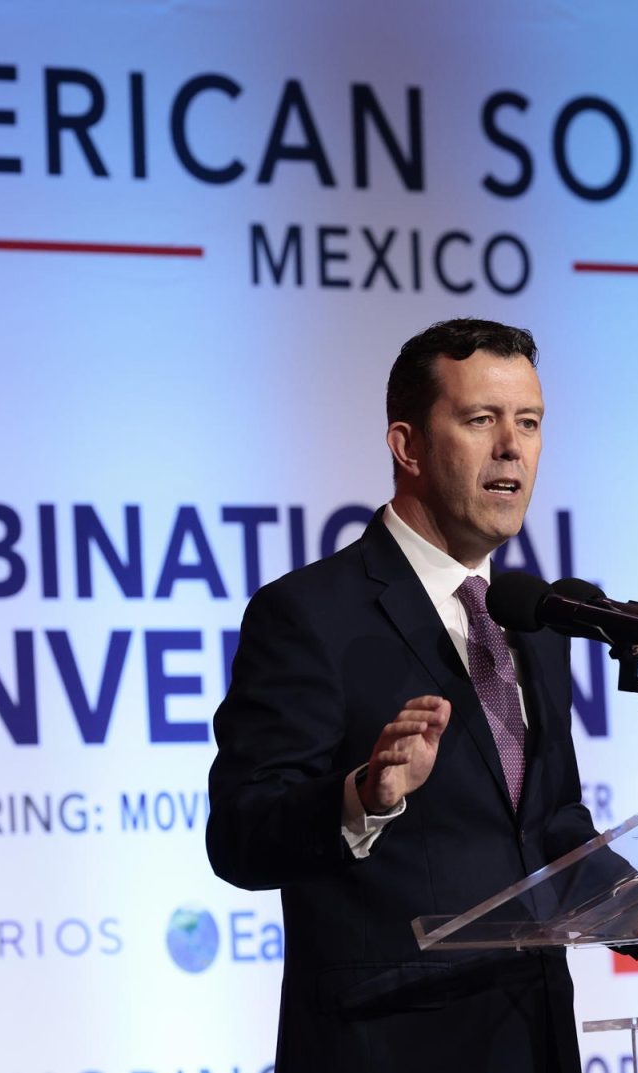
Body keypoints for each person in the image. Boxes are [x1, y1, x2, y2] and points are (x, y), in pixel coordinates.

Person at [206, 318, 602, 1072]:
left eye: (529, 422)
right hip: (388, 1049)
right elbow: (240, 833)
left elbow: (547, 825)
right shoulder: (312, 614)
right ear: (408, 445)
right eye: (481, 420)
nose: (512, 447)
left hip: (537, 1041)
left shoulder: (535, 619)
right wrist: (365, 795)